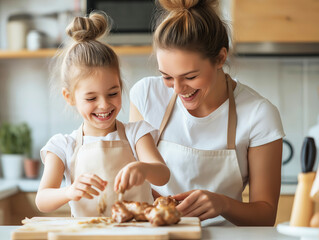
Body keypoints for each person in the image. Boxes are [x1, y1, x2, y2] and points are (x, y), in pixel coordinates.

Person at [129, 0, 284, 226]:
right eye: (167, 77)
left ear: (221, 58)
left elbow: (266, 214)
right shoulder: (146, 96)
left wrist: (223, 204)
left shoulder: (259, 115)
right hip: (158, 232)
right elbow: (138, 182)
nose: (179, 89)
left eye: (190, 77)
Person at [36, 12, 170, 217]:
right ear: (69, 97)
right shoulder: (63, 145)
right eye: (91, 98)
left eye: (113, 93)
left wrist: (144, 169)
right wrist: (69, 191)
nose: (104, 104)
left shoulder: (137, 134)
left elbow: (162, 175)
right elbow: (42, 200)